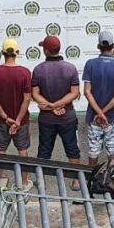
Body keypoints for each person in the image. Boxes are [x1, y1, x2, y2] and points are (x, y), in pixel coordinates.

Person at [31, 35, 81, 167]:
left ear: (46, 51)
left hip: (47, 118)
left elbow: (35, 94)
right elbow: (74, 93)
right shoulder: (71, 68)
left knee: (44, 152)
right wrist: (56, 105)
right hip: (67, 116)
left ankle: (41, 178)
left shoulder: (38, 69)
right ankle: (76, 178)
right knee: (73, 151)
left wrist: (52, 106)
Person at [0, 38, 32, 184]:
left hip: (1, 120)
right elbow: (27, 98)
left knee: (1, 151)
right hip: (22, 121)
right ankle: (24, 182)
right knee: (22, 151)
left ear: (2, 53)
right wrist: (17, 120)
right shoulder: (25, 72)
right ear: (17, 52)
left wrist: (6, 117)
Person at [81, 30, 114, 169]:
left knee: (93, 151)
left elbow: (87, 92)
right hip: (111, 117)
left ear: (98, 46)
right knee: (112, 151)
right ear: (113, 46)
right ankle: (113, 178)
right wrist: (104, 113)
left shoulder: (90, 64)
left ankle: (91, 178)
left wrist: (99, 113)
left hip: (94, 117)